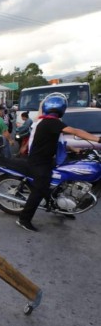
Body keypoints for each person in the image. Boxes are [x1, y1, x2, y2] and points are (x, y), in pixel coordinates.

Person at [16, 93, 101, 232]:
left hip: (46, 159)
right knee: (40, 188)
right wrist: (98, 140)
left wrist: (75, 149)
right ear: (62, 108)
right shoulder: (51, 122)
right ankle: (23, 219)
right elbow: (75, 131)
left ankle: (62, 208)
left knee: (63, 182)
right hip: (39, 162)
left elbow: (58, 142)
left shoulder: (48, 121)